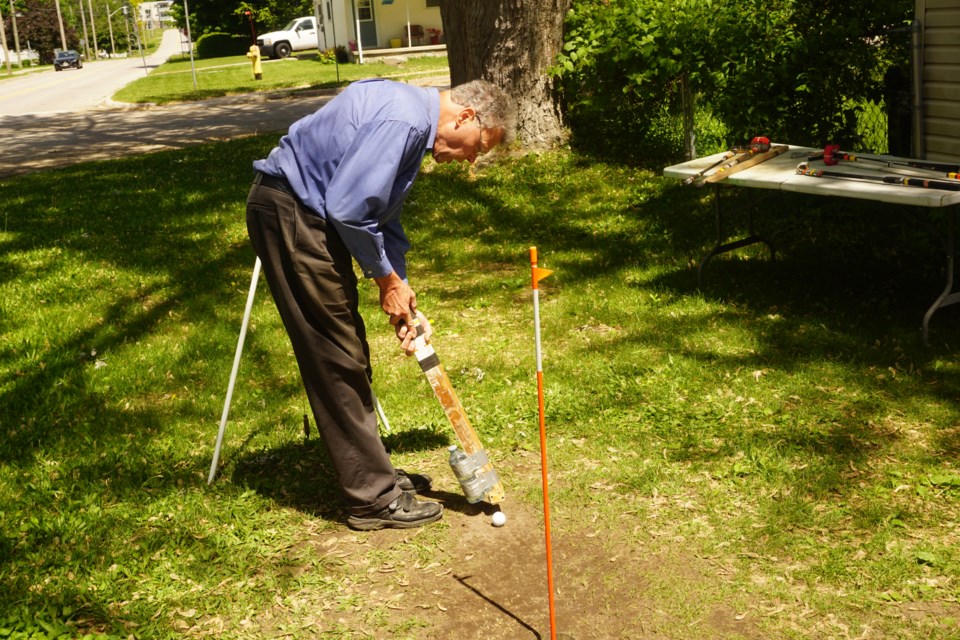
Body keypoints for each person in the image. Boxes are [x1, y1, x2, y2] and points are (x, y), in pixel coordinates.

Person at [245, 78, 516, 530]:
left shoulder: (411, 121)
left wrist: (400, 290)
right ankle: (372, 499)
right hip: (292, 214)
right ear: (466, 117)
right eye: (477, 149)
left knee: (348, 349)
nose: (470, 160)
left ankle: (375, 476)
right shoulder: (404, 120)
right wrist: (385, 280)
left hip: (309, 215)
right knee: (336, 356)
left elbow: (379, 215)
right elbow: (350, 208)